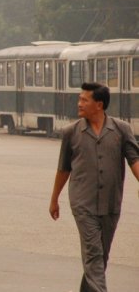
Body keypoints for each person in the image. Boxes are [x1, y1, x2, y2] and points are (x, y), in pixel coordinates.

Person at [50, 82, 139, 292]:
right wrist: (54, 199)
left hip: (110, 203)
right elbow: (63, 169)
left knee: (101, 257)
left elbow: (134, 160)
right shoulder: (71, 132)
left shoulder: (121, 130)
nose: (79, 103)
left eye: (84, 100)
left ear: (99, 105)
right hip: (83, 203)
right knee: (94, 253)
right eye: (80, 99)